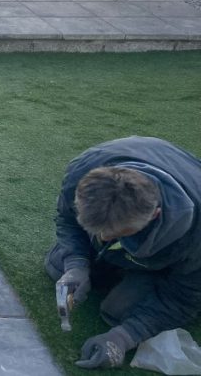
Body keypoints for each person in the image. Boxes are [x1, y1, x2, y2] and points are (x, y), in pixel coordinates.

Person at [45, 136, 201, 369]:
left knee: (119, 312)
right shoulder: (84, 169)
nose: (104, 238)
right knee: (58, 266)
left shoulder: (194, 237)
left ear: (155, 215)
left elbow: (182, 299)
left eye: (119, 233)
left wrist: (124, 337)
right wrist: (76, 264)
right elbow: (67, 220)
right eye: (97, 231)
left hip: (178, 261)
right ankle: (117, 265)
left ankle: (144, 273)